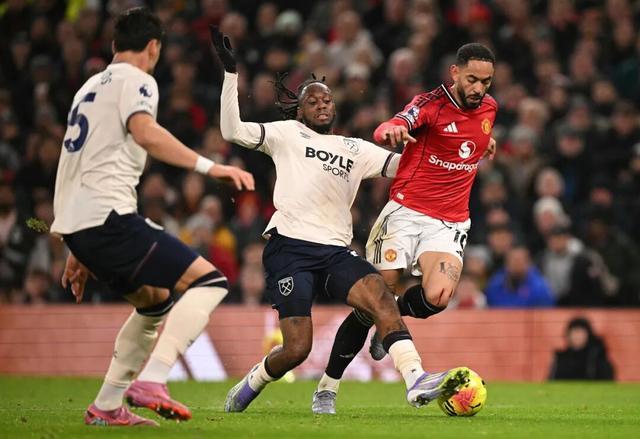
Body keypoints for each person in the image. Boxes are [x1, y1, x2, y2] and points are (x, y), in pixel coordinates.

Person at [210, 27, 470, 414]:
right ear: (300, 110)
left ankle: (416, 379)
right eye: (312, 101)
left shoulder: (354, 149)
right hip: (290, 248)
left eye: (327, 100)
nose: (322, 105)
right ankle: (254, 381)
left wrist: (458, 145)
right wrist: (231, 74)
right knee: (297, 349)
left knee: (381, 297)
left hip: (334, 251)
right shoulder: (286, 134)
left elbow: (410, 168)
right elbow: (232, 131)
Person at [51, 8, 254, 427]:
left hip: (81, 221)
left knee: (154, 302)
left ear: (114, 45)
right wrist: (210, 167)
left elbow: (79, 162)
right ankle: (153, 380)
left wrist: (77, 241)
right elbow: (145, 132)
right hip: (107, 218)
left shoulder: (89, 87)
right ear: (154, 47)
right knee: (209, 282)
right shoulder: (138, 80)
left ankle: (107, 406)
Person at [313, 43, 498, 414]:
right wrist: (391, 132)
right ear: (455, 73)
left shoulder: (490, 108)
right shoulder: (430, 104)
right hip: (405, 213)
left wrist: (484, 142)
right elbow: (393, 124)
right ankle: (327, 387)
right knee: (372, 299)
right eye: (472, 79)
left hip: (449, 222)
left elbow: (469, 137)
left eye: (486, 82)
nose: (479, 88)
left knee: (438, 297)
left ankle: (390, 317)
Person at [549, 317, 614, 380]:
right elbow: (551, 380)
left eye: (581, 333)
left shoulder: (596, 356)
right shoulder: (561, 357)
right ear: (568, 335)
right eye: (575, 333)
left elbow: (608, 378)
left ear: (588, 335)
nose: (577, 336)